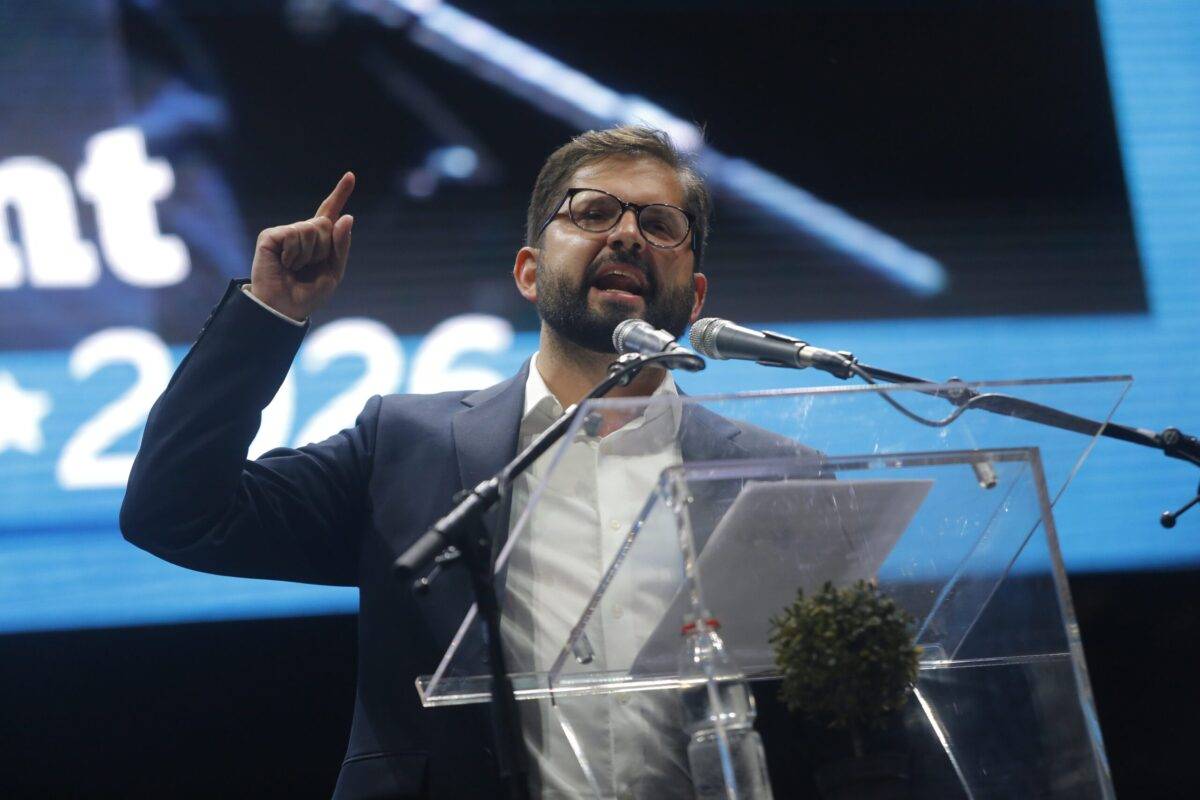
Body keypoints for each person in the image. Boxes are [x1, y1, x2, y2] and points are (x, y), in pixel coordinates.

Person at [121, 126, 814, 799]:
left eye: (661, 224)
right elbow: (177, 513)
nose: (627, 234)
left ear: (694, 298)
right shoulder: (404, 446)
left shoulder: (773, 476)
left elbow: (841, 726)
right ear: (529, 272)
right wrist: (270, 314)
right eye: (593, 212)